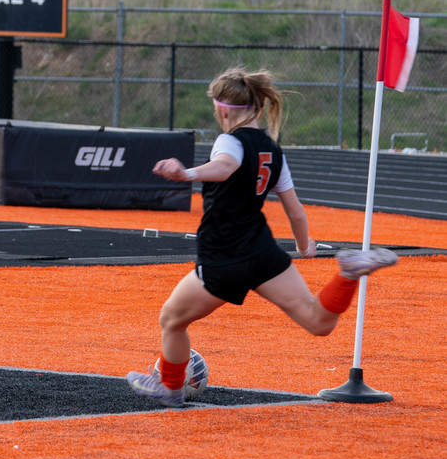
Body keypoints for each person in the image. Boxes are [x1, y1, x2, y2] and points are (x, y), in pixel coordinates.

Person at [127, 66, 398, 407]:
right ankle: (346, 273)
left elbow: (225, 166)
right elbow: (295, 210)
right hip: (262, 249)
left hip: (224, 254)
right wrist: (304, 245)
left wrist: (186, 174)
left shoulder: (229, 140)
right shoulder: (273, 150)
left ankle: (170, 388)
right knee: (317, 321)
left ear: (223, 107)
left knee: (171, 319)